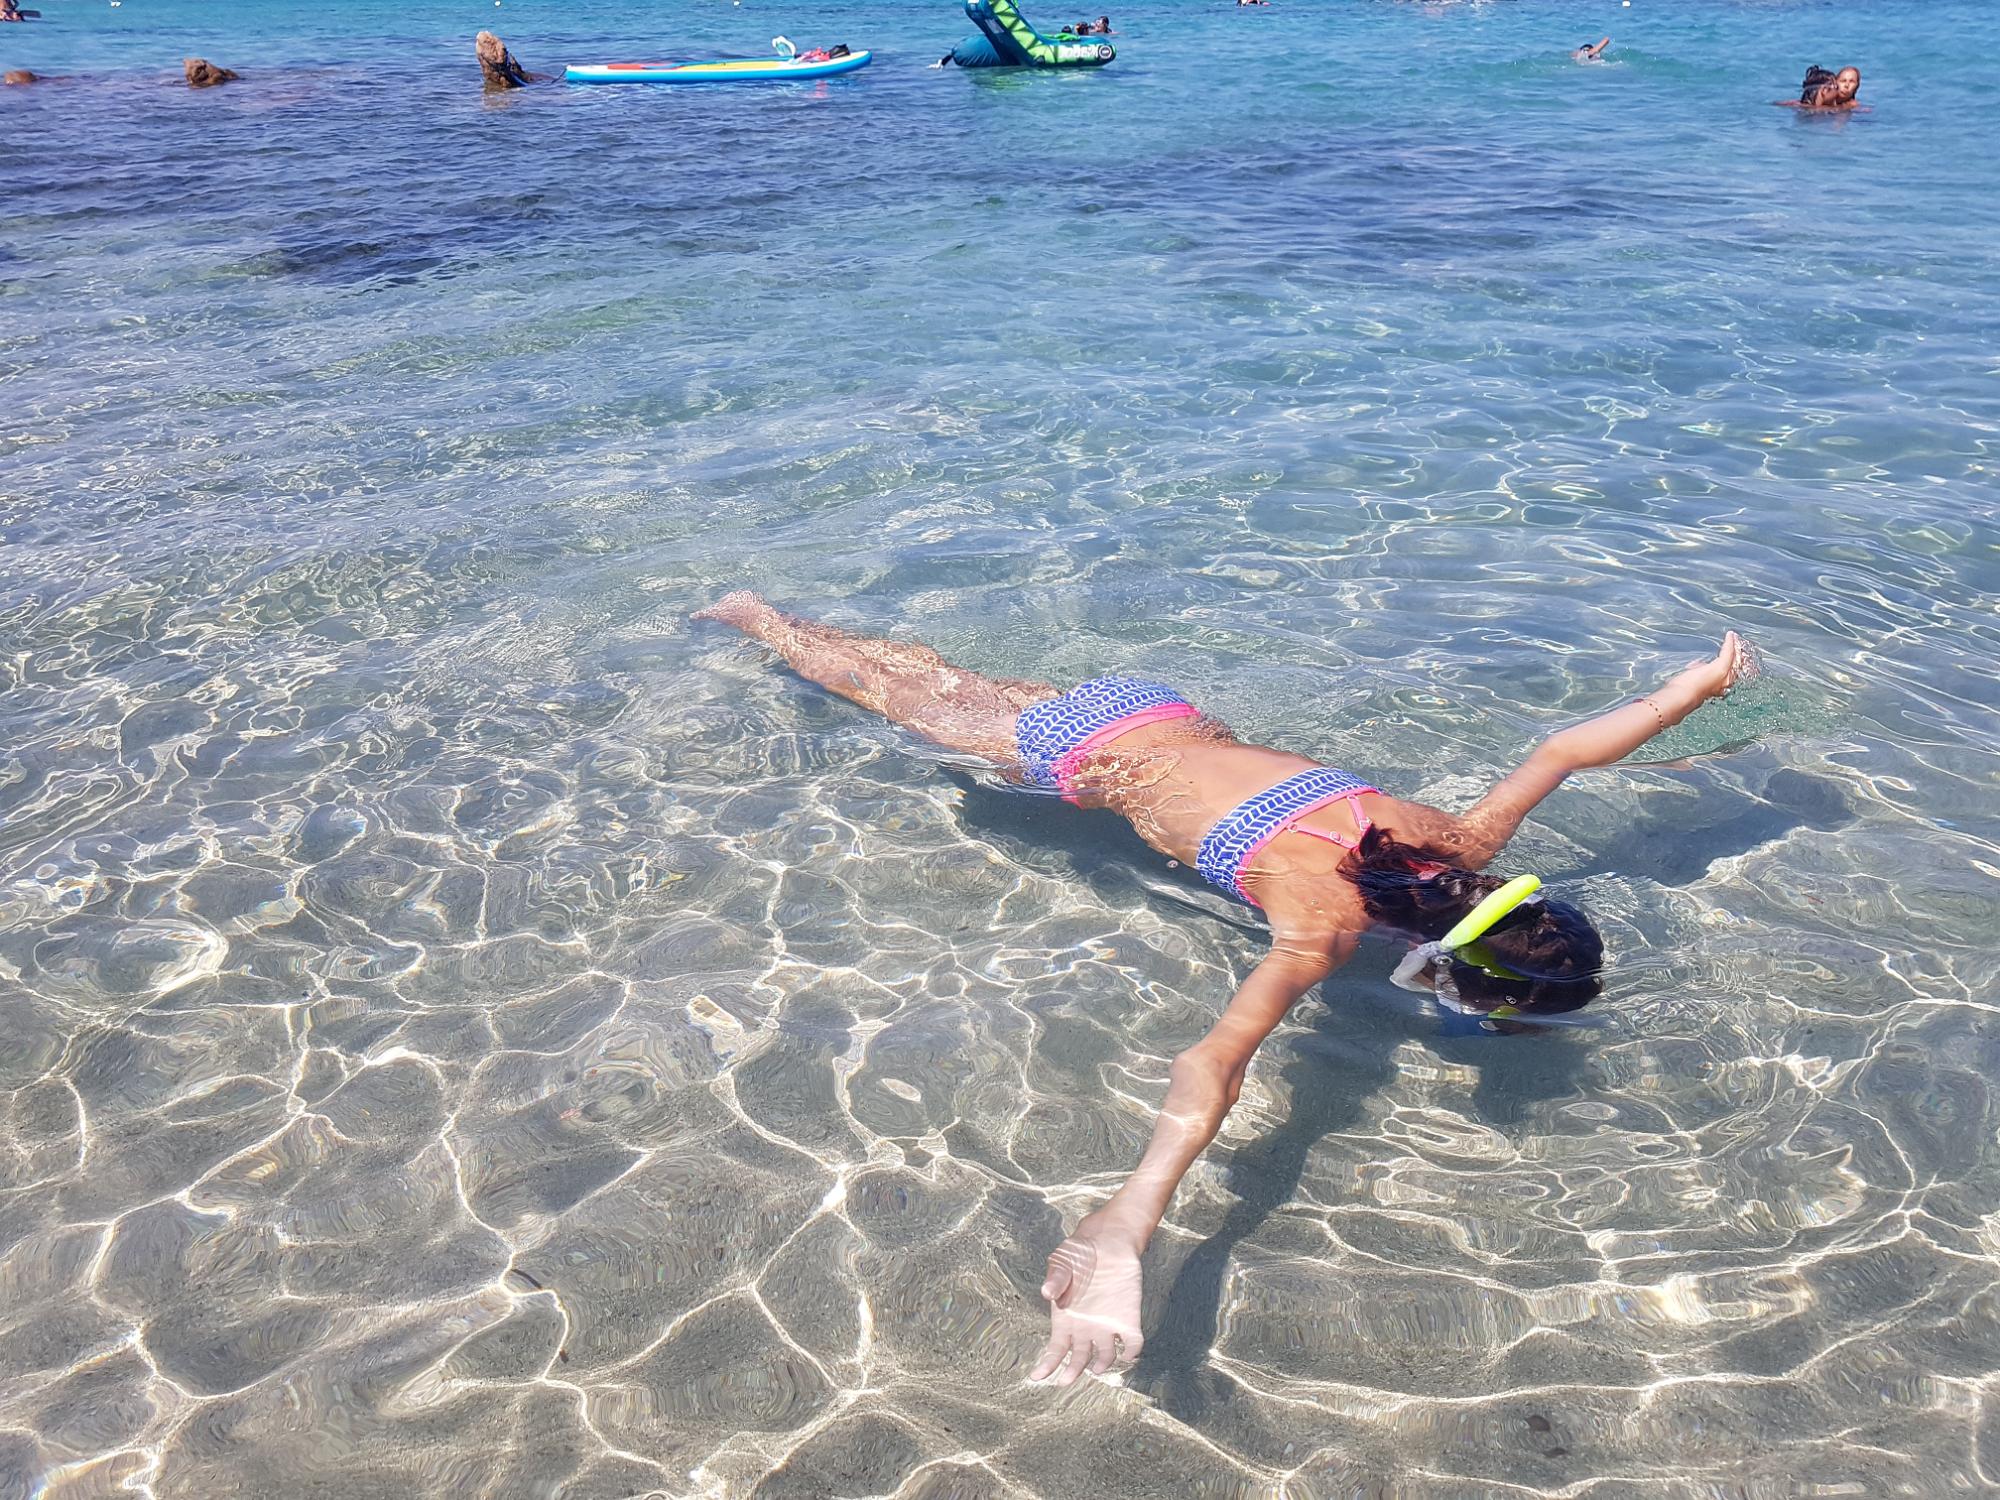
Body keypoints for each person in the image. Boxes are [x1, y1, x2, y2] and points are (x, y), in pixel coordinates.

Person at [693, 591, 1752, 1383]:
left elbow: (1564, 749)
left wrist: (1691, 691)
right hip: (1069, 757)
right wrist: (1127, 1222)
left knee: (930, 680)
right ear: (1444, 964)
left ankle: (782, 618)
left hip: (1159, 714)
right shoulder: (1320, 930)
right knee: (862, 683)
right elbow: (1210, 1066)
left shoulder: (1460, 842)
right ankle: (750, 617)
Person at [1781, 65, 1862, 109]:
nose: (1838, 91)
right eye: (1836, 87)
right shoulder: (1830, 109)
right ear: (1824, 90)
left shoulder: (1799, 105)